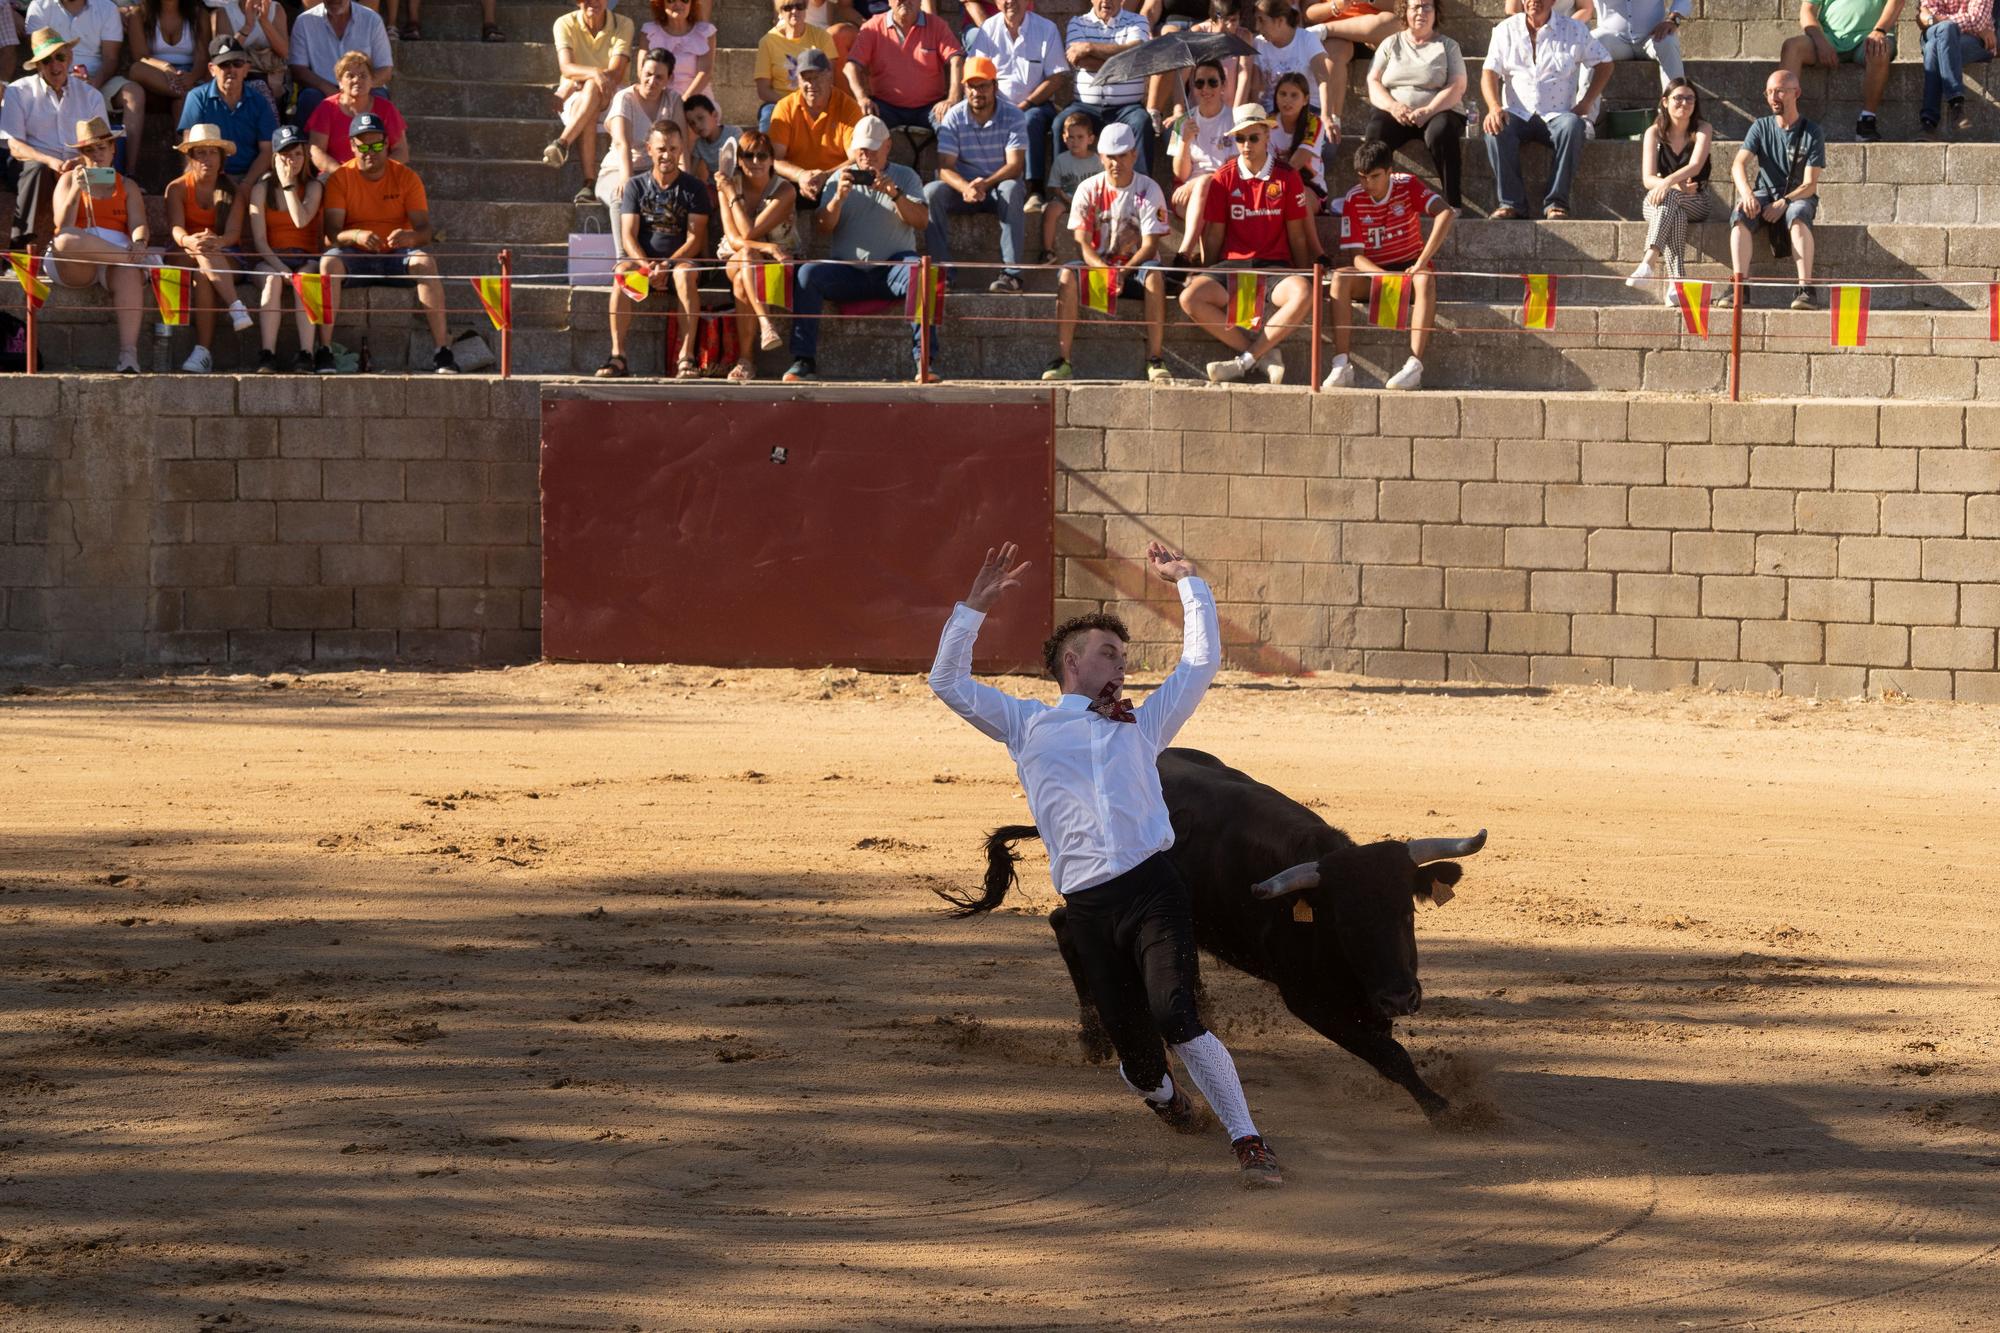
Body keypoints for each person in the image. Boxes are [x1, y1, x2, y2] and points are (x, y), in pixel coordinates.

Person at [927, 540, 1284, 1190]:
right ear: (1072, 662)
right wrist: (973, 608)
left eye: (1123, 653)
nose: (1121, 661)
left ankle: (1249, 1139)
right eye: (1109, 651)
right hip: (1090, 910)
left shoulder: (1141, 725)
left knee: (1178, 1014)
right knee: (1141, 1058)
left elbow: (1200, 662)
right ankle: (1163, 1096)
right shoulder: (1025, 723)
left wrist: (1190, 583)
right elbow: (946, 682)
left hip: (1154, 890)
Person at [783, 114, 933, 383]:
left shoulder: (905, 176)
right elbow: (822, 227)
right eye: (862, 150)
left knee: (919, 272)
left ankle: (924, 361)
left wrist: (895, 194)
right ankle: (803, 360)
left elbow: (921, 221)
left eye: (873, 149)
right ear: (853, 150)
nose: (867, 156)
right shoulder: (838, 179)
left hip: (891, 269)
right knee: (806, 274)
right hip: (848, 271)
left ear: (887, 146)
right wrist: (837, 200)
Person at [1178, 103, 1315, 384]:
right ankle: (1259, 354)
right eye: (1239, 139)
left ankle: (1245, 361)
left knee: (1303, 292)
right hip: (1232, 266)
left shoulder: (1288, 176)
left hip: (1275, 267)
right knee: (1189, 297)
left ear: (1267, 135)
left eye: (1253, 137)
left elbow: (1297, 235)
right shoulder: (1223, 176)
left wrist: (1303, 271)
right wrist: (1206, 270)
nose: (1246, 145)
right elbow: (1214, 234)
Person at [318, 113, 459, 373]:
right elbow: (331, 234)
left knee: (425, 262)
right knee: (328, 263)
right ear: (352, 145)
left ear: (386, 144)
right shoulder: (340, 178)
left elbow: (425, 231)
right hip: (355, 254)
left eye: (376, 145)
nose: (369, 151)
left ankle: (443, 351)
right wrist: (356, 235)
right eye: (363, 145)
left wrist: (411, 237)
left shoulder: (406, 177)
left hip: (396, 253)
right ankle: (324, 349)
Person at [1042, 120, 1173, 383]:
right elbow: (1082, 241)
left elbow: (1150, 246)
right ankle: (1063, 359)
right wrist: (1105, 272)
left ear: (1134, 155)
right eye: (1110, 157)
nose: (1116, 163)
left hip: (1136, 270)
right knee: (1067, 274)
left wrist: (1122, 272)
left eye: (1122, 155)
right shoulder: (1087, 189)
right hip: (1099, 267)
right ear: (1101, 157)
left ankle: (1155, 358)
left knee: (1155, 276)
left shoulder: (1149, 188)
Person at [1321, 137, 1453, 390]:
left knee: (1425, 278)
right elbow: (1356, 257)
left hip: (1410, 268)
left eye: (1374, 176)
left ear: (1390, 172)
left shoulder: (1408, 185)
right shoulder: (1354, 198)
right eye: (1362, 177)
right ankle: (1341, 365)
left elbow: (1445, 212)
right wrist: (1383, 276)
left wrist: (1421, 262)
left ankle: (1414, 366)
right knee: (1339, 278)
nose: (1367, 184)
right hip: (1374, 273)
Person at [1481, 0, 1610, 219]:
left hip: (1558, 115)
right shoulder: (1505, 30)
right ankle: (1511, 204)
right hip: (1517, 113)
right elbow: (1489, 73)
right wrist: (1494, 107)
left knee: (1574, 125)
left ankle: (1556, 203)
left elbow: (1605, 63)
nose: (1534, 1)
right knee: (1495, 129)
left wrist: (1587, 102)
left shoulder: (1574, 29)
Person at [601, 119, 710, 379]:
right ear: (649, 149)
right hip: (645, 267)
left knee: (684, 274)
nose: (667, 155)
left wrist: (667, 265)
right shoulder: (635, 186)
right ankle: (618, 356)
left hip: (680, 266)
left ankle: (686, 357)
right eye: (661, 149)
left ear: (681, 149)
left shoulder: (694, 188)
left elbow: (695, 240)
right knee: (622, 272)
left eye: (673, 148)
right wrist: (647, 265)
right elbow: (628, 235)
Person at [48, 115, 147, 374]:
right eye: (89, 150)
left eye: (102, 147)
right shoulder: (68, 179)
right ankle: (128, 259)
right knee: (66, 240)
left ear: (113, 149)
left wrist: (139, 242)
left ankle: (128, 354)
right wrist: (76, 190)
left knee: (127, 271)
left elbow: (138, 223)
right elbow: (62, 225)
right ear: (81, 154)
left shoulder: (127, 185)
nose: (97, 155)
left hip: (114, 256)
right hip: (79, 258)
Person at [925, 55, 1028, 293]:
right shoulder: (954, 116)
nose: (977, 92)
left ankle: (1011, 275)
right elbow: (944, 166)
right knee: (930, 193)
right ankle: (942, 272)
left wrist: (985, 183)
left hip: (997, 187)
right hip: (964, 190)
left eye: (983, 85)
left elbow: (1015, 166)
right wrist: (967, 188)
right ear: (963, 88)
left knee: (1012, 188)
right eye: (971, 86)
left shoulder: (1013, 115)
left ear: (995, 86)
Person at [2, 29, 110, 249]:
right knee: (36, 170)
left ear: (70, 58)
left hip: (78, 164)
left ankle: (109, 242)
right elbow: (14, 146)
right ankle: (20, 247)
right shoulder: (17, 91)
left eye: (60, 57)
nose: (54, 66)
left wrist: (79, 162)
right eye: (46, 60)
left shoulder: (91, 95)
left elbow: (103, 146)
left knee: (103, 174)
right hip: (32, 168)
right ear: (38, 65)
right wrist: (49, 161)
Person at [1726, 67, 1823, 310]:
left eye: (1779, 91)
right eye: (1769, 92)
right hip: (1764, 192)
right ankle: (1740, 285)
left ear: (1796, 93)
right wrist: (1747, 194)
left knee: (1798, 215)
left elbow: (1810, 185)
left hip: (1797, 195)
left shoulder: (1812, 131)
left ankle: (1805, 288)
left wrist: (1784, 202)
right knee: (1739, 215)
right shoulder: (1760, 126)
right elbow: (1738, 164)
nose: (1773, 98)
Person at [964, 0, 1070, 214]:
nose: (1010, 2)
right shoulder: (987, 29)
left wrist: (1026, 103)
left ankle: (1034, 190)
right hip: (995, 103)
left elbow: (1057, 77)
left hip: (1035, 104)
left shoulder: (1046, 28)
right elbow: (976, 73)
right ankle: (978, 184)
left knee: (1029, 119)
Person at [165, 123, 254, 373]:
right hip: (184, 251)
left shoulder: (233, 190)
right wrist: (191, 241)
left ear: (221, 157)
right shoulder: (177, 188)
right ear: (191, 157)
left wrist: (216, 242)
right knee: (202, 253)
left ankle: (202, 352)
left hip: (224, 253)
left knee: (203, 276)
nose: (207, 159)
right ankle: (235, 306)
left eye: (213, 152)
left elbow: (234, 234)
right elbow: (175, 228)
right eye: (201, 153)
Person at [1361, 0, 1466, 206]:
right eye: (1415, 7)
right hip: (1396, 111)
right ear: (1405, 12)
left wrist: (1429, 110)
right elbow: (1373, 81)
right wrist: (1393, 106)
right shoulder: (1391, 43)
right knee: (1376, 130)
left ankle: (1453, 203)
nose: (1421, 12)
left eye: (1427, 6)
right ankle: (1374, 198)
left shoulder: (1448, 46)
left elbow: (1458, 85)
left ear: (1436, 12)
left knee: (1441, 132)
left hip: (1439, 110)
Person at [717, 129, 801, 379]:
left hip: (778, 261)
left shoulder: (785, 190)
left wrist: (731, 195)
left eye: (762, 156)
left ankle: (746, 360)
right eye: (749, 156)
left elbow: (749, 232)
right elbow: (733, 240)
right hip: (741, 256)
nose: (756, 162)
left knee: (744, 278)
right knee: (746, 257)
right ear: (739, 161)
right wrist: (768, 248)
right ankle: (765, 324)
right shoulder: (729, 185)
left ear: (772, 160)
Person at [22, 0, 141, 169]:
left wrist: (90, 86)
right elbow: (41, 54)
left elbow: (111, 59)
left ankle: (129, 171)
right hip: (53, 76)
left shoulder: (107, 8)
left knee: (134, 94)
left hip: (98, 79)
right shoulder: (39, 6)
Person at [246, 124, 327, 372]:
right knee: (273, 281)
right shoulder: (260, 189)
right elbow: (260, 240)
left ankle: (306, 353)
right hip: (271, 258)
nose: (292, 160)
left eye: (297, 154)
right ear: (275, 158)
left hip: (304, 257)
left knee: (306, 279)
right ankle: (267, 354)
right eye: (285, 155)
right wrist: (281, 269)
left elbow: (301, 221)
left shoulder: (313, 187)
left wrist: (289, 184)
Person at [1624, 76, 1712, 300]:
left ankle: (1648, 262)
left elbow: (1695, 166)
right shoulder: (1654, 132)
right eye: (1678, 98)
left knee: (1672, 199)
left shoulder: (1703, 129)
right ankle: (1676, 284)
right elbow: (1647, 179)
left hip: (1697, 200)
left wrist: (1666, 182)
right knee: (1675, 212)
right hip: (1659, 199)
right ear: (1665, 101)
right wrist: (1671, 186)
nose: (1684, 103)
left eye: (1690, 99)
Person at [545, 0, 634, 202]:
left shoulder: (624, 23)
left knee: (592, 89)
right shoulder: (564, 22)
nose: (593, 1)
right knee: (591, 94)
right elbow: (566, 67)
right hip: (578, 95)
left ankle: (564, 144)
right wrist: (592, 74)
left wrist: (574, 84)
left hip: (611, 91)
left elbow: (616, 73)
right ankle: (587, 182)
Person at [1781, 0, 1903, 139]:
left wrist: (1880, 30)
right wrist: (1820, 41)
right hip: (1829, 38)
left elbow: (1897, 2)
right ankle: (1785, 120)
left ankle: (1867, 121)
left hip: (1870, 37)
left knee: (1880, 48)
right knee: (1792, 47)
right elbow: (1807, 11)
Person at [1060, 0, 1155, 176]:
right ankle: (1061, 188)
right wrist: (1124, 58)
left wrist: (1090, 47)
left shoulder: (1137, 20)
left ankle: (1141, 190)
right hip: (1085, 106)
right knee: (1060, 123)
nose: (1106, 1)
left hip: (1127, 107)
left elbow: (1137, 51)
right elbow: (1079, 60)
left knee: (1142, 122)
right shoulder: (1078, 22)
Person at [845, 0, 963, 134]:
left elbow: (957, 59)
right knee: (865, 126)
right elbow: (851, 67)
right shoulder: (872, 26)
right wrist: (862, 98)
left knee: (952, 126)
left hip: (930, 108)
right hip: (885, 107)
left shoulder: (937, 25)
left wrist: (953, 99)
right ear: (889, 2)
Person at [770, 48, 863, 208]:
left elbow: (856, 158)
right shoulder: (785, 107)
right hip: (795, 182)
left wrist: (825, 176)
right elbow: (775, 159)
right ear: (798, 80)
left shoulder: (849, 108)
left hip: (835, 180)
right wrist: (801, 175)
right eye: (806, 78)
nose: (811, 84)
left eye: (817, 77)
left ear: (830, 76)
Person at [594, 48, 686, 211]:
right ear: (640, 72)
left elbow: (681, 143)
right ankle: (623, 238)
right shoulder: (625, 98)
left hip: (658, 170)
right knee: (622, 199)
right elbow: (623, 143)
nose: (652, 81)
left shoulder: (673, 100)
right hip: (619, 169)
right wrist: (627, 180)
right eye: (648, 74)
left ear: (669, 79)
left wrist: (685, 178)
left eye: (659, 77)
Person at [179, 36, 277, 182]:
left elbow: (267, 150)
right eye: (224, 64)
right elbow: (189, 147)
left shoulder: (259, 101)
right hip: (210, 175)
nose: (231, 70)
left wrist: (247, 184)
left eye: (237, 63)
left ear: (246, 69)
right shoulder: (197, 98)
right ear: (212, 69)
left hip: (251, 175)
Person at [123, 0, 208, 163]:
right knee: (136, 69)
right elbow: (140, 56)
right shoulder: (138, 14)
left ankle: (188, 167)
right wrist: (166, 67)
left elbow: (202, 56)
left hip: (188, 74)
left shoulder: (198, 14)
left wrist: (192, 76)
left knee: (181, 101)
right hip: (156, 74)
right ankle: (189, 94)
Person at [1300, 0, 1405, 130]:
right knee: (1334, 53)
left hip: (1374, 31)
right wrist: (1336, 5)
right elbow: (1309, 14)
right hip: (1337, 35)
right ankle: (1331, 123)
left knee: (1394, 23)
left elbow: (1401, 6)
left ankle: (1325, 30)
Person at [1167, 59, 1234, 257]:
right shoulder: (1182, 122)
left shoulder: (1235, 119)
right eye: (1199, 83)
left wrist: (1198, 183)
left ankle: (1185, 254)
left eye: (1212, 82)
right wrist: (1185, 141)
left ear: (1223, 85)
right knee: (1205, 194)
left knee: (1206, 186)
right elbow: (1179, 173)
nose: (1206, 89)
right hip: (1186, 196)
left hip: (1225, 189)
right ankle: (1202, 265)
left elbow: (1236, 167)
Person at [289, 0, 392, 127]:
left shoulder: (371, 19)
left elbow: (385, 70)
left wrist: (360, 88)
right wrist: (332, 92)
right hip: (323, 88)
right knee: (309, 97)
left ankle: (379, 146)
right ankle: (308, 146)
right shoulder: (304, 22)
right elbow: (298, 70)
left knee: (379, 97)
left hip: (364, 87)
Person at [306, 48, 409, 170]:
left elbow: (401, 152)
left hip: (377, 174)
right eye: (350, 76)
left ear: (371, 80)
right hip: (337, 175)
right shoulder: (327, 107)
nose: (357, 80)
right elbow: (316, 151)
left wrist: (378, 172)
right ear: (340, 82)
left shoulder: (386, 109)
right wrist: (343, 174)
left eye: (363, 75)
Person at [755, 0, 839, 134]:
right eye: (788, 8)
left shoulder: (822, 37)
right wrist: (791, 104)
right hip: (779, 101)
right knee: (768, 115)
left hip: (816, 99)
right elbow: (763, 90)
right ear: (780, 12)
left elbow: (829, 79)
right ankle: (767, 154)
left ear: (806, 8)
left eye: (800, 6)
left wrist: (809, 105)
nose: (794, 11)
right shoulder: (767, 42)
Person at [1250, 0, 1333, 134]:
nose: (1257, 27)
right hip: (1272, 112)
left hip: (1308, 109)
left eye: (1261, 20)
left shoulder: (1307, 39)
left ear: (1280, 21)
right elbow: (1255, 88)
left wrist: (1326, 116)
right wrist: (1254, 118)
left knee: (1328, 149)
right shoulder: (1259, 43)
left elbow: (1323, 80)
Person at [1917, 0, 1994, 135]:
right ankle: (1956, 103)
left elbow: (1977, 20)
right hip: (1936, 31)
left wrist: (1936, 20)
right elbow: (1929, 10)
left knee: (1933, 47)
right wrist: (1940, 23)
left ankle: (1929, 122)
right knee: (1946, 30)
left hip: (1972, 41)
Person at [203, 0, 292, 116]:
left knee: (261, 86)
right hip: (236, 72)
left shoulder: (277, 9)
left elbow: (284, 52)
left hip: (269, 73)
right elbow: (223, 55)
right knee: (257, 86)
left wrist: (264, 21)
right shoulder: (224, 12)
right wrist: (248, 26)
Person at [1589, 0, 1687, 100]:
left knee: (1668, 40)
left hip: (1652, 37)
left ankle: (1676, 108)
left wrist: (1673, 20)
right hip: (1613, 39)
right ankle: (1584, 112)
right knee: (1592, 43)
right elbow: (1581, 6)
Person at [1269, 69, 1331, 219]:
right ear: (1276, 97)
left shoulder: (1314, 123)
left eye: (1294, 95)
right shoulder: (1268, 123)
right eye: (1282, 94)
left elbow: (1296, 163)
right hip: (1275, 184)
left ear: (1305, 99)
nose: (1287, 100)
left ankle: (1311, 243)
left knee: (1297, 199)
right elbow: (1266, 163)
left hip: (1311, 188)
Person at [1042, 110, 1099, 261]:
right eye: (1070, 138)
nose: (1075, 141)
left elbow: (1102, 186)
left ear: (1090, 139)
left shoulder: (1097, 161)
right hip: (1066, 199)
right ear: (1064, 139)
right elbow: (1056, 186)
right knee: (1051, 210)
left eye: (1080, 137)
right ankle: (1047, 251)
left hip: (1090, 203)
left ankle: (1098, 250)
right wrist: (1067, 199)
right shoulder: (1061, 160)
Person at [640, 0, 714, 100]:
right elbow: (642, 70)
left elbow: (705, 72)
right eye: (671, 0)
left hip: (696, 102)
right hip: (659, 99)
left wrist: (682, 103)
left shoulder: (705, 32)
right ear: (661, 3)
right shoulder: (649, 31)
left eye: (685, 0)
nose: (678, 4)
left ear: (692, 3)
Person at [684, 94, 743, 181]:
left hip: (738, 184)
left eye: (700, 118)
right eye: (692, 123)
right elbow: (691, 173)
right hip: (715, 187)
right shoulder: (699, 145)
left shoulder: (734, 134)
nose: (697, 125)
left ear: (714, 115)